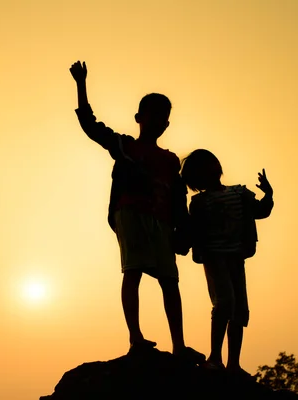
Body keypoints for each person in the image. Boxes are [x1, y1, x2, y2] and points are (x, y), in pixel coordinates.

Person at [69, 61, 203, 364]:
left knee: (170, 281)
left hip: (162, 223)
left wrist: (185, 233)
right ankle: (136, 338)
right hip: (130, 212)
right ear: (139, 118)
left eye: (163, 117)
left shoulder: (171, 162)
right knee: (133, 272)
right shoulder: (126, 146)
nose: (158, 121)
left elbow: (179, 201)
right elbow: (91, 127)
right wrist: (81, 84)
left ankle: (178, 346)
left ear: (167, 124)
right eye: (152, 114)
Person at [180, 149, 274, 376]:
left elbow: (261, 211)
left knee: (239, 309)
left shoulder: (239, 193)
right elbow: (192, 231)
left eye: (211, 164)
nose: (211, 169)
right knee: (225, 303)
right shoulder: (199, 202)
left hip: (236, 257)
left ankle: (233, 363)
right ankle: (215, 357)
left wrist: (268, 195)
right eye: (203, 168)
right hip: (214, 257)